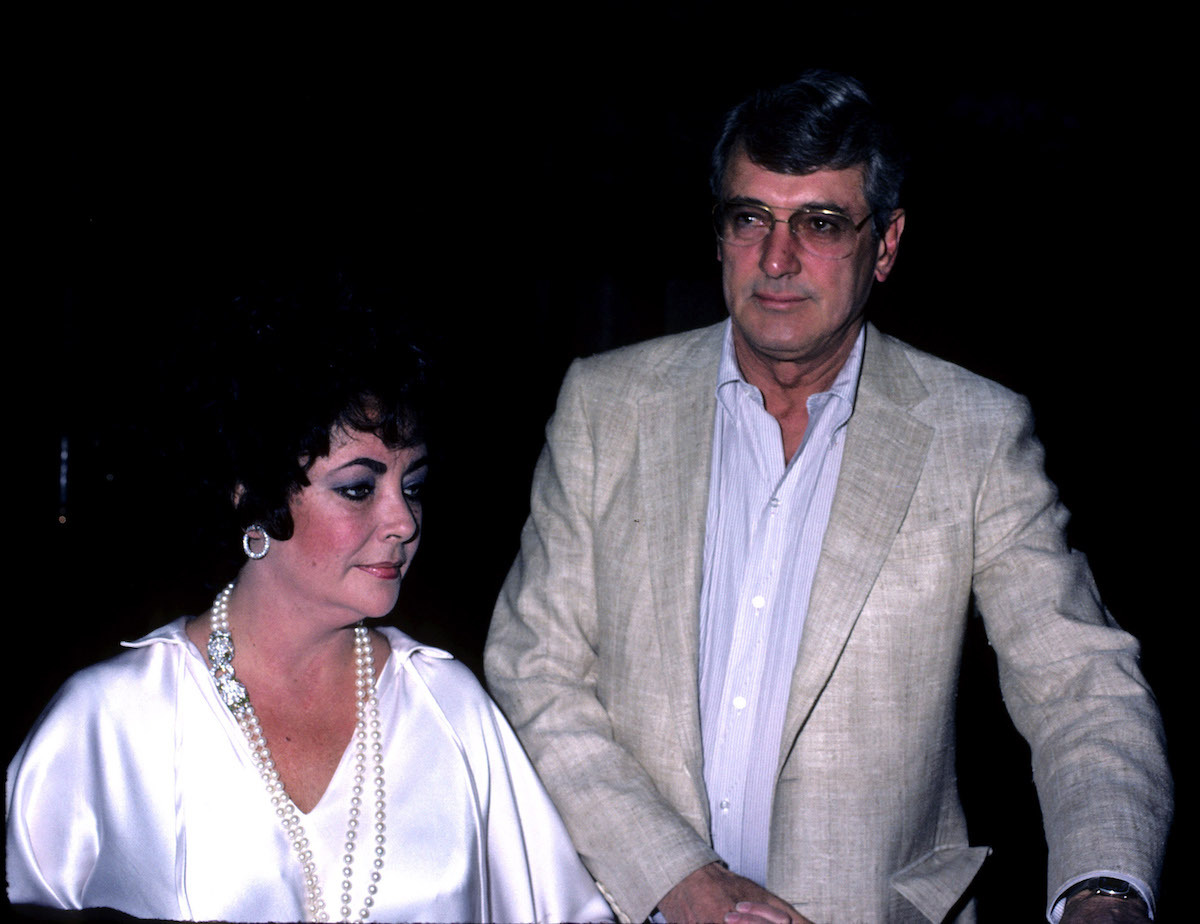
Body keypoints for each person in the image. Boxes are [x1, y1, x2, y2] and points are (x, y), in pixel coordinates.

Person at [483, 71, 1172, 924]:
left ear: (884, 246)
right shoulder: (605, 407)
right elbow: (532, 669)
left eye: (819, 224)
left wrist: (1103, 892)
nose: (777, 260)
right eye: (751, 220)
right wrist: (678, 880)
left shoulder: (974, 435)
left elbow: (1082, 688)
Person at [6, 286, 614, 923]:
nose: (402, 520)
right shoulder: (110, 721)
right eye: (357, 489)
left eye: (414, 486)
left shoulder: (450, 708)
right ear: (251, 497)